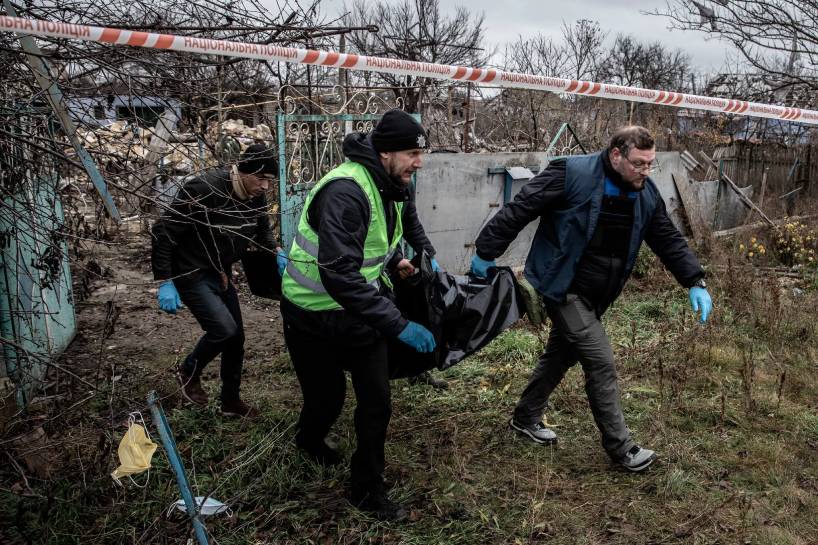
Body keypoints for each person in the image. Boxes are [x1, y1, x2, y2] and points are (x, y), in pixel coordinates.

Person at [472, 126, 713, 472]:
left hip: (597, 295)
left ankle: (525, 418)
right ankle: (621, 448)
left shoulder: (644, 192)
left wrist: (694, 280)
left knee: (561, 355)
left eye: (651, 164)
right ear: (616, 155)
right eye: (639, 164)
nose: (646, 171)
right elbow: (521, 208)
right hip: (562, 286)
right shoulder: (571, 173)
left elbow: (666, 237)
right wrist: (486, 251)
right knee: (600, 361)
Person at [280, 109, 438, 521]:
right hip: (312, 314)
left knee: (376, 402)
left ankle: (366, 489)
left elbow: (390, 234)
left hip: (358, 310)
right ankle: (308, 441)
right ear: (385, 152)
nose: (419, 162)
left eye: (421, 152)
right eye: (412, 153)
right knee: (326, 398)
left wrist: (401, 259)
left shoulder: (393, 183)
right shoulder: (346, 192)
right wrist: (400, 324)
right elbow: (339, 276)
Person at [152, 144, 284, 418]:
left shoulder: (254, 196)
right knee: (224, 330)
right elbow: (163, 231)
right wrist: (164, 280)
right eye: (261, 179)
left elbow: (261, 229)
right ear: (244, 171)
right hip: (189, 271)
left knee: (237, 338)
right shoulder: (204, 189)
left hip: (219, 272)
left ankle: (231, 402)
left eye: (270, 181)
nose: (265, 186)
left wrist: (276, 251)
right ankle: (189, 370)